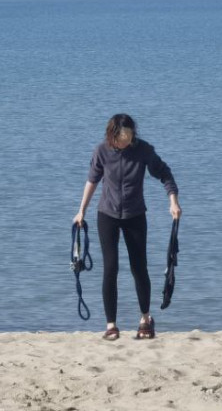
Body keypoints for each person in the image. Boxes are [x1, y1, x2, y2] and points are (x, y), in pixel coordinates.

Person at [73, 113, 180, 340]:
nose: (127, 142)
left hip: (135, 215)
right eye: (122, 138)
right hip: (107, 215)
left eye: (130, 137)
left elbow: (164, 173)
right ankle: (111, 325)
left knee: (138, 267)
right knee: (110, 269)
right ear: (113, 136)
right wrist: (81, 210)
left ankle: (145, 319)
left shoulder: (143, 150)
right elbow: (92, 180)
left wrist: (173, 200)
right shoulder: (101, 151)